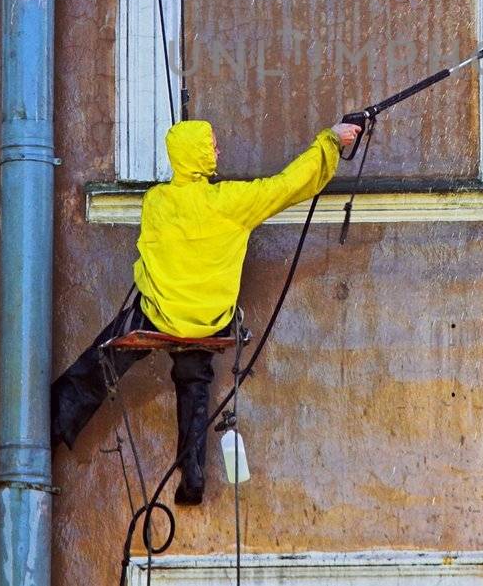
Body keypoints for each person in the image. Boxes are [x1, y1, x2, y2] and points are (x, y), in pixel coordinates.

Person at [50, 117, 362, 505]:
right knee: (194, 382)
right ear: (197, 152)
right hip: (209, 323)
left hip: (159, 316)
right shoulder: (230, 202)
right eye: (211, 145)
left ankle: (48, 429)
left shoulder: (157, 202)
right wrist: (330, 141)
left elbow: (149, 258)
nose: (216, 151)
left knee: (100, 361)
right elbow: (289, 184)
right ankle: (192, 477)